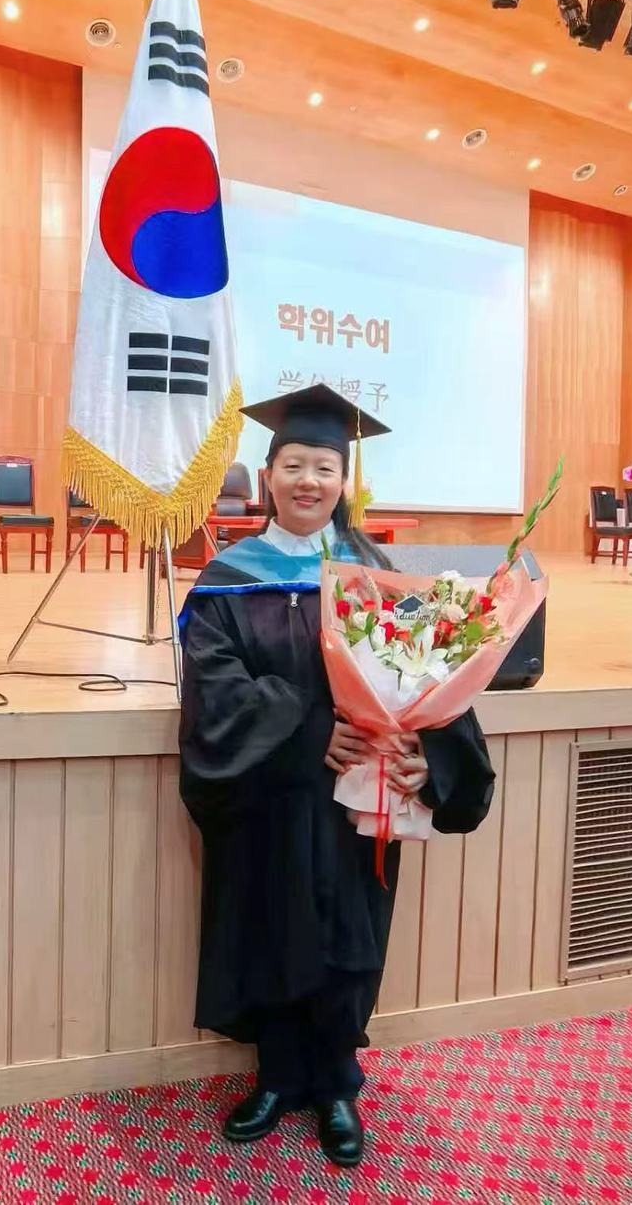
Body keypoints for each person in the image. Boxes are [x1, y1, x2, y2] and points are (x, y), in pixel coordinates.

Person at [178, 385, 493, 1170]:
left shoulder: (375, 574)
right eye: (293, 465)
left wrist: (430, 754)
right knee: (271, 924)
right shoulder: (228, 577)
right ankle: (277, 1078)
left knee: (348, 934)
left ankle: (337, 1085)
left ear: (343, 480)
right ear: (268, 474)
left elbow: (428, 676)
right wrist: (310, 730)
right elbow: (216, 688)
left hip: (358, 798)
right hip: (271, 794)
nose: (307, 481)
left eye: (323, 467)